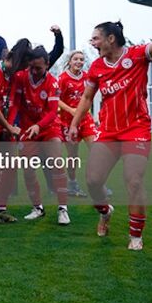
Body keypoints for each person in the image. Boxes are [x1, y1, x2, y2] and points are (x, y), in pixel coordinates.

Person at [68, 2, 152, 251]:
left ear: (111, 38)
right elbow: (87, 98)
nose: (92, 43)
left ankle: (135, 236)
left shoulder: (137, 55)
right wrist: (74, 124)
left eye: (96, 38)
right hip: (108, 132)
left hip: (136, 130)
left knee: (133, 181)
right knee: (92, 181)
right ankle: (105, 211)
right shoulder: (96, 67)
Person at [7, 46, 70, 225]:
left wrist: (38, 125)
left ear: (47, 65)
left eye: (39, 68)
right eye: (31, 68)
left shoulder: (53, 82)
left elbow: (52, 112)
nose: (34, 72)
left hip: (49, 128)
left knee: (57, 164)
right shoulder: (20, 78)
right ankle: (38, 208)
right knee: (28, 170)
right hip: (28, 129)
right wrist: (11, 126)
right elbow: (15, 104)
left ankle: (63, 209)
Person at [0, 39, 32, 223]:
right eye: (23, 66)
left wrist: (9, 127)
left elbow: (11, 105)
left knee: (11, 165)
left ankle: (1, 208)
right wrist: (9, 127)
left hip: (4, 125)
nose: (23, 71)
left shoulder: (14, 76)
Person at [57, 50, 95, 197]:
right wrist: (71, 110)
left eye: (81, 59)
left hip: (86, 120)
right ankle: (72, 184)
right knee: (73, 156)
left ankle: (98, 183)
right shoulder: (63, 78)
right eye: (76, 59)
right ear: (70, 61)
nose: (79, 62)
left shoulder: (87, 77)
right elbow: (56, 99)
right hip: (68, 122)